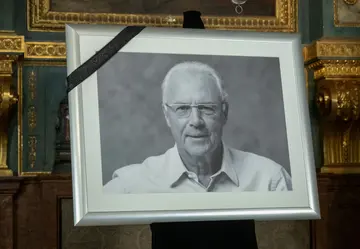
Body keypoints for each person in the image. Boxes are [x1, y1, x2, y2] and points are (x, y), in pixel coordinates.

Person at [103, 61, 292, 194]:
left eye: (206, 108)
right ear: (167, 115)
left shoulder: (270, 179)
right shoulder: (130, 185)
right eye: (183, 108)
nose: (196, 121)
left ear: (224, 112)